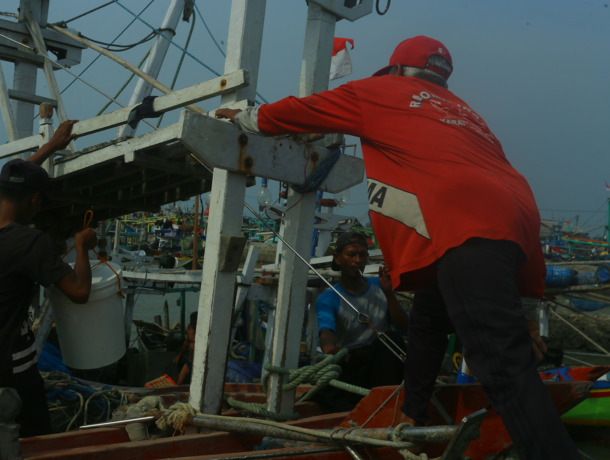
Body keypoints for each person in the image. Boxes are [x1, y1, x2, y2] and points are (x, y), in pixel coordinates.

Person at [215, 36, 579, 459]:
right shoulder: (467, 115)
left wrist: (250, 117)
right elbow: (520, 214)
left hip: (462, 231)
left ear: (396, 70)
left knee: (503, 364)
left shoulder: (383, 92)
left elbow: (308, 109)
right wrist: (531, 311)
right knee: (427, 321)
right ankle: (411, 416)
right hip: (513, 220)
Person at [0, 120, 99, 438]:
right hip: (9, 377)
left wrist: (49, 148)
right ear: (34, 201)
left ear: (1, 193)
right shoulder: (29, 243)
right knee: (35, 442)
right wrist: (81, 248)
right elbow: (79, 292)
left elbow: (10, 184)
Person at [314, 231, 408, 411]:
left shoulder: (380, 285)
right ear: (338, 258)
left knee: (392, 339)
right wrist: (330, 349)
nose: (358, 260)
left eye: (363, 255)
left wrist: (390, 294)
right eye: (351, 255)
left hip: (382, 366)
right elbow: (326, 331)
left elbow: (404, 327)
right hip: (352, 364)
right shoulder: (329, 298)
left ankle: (387, 404)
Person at [173, 311, 197, 385]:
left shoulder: (203, 331)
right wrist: (178, 356)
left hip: (198, 364)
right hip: (190, 360)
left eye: (194, 320)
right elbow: (186, 342)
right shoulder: (190, 328)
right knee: (179, 381)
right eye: (191, 320)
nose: (192, 322)